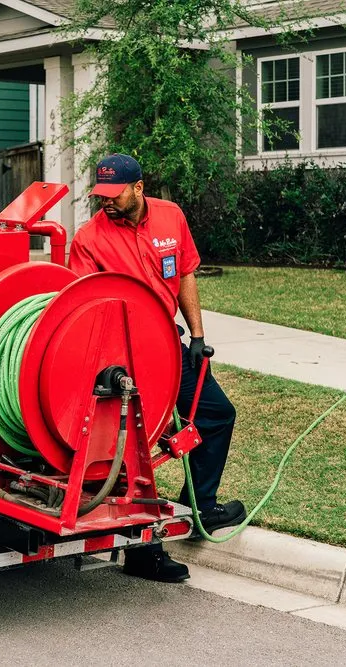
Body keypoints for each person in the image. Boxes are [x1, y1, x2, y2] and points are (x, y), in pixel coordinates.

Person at [68, 153, 246, 583]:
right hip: (122, 356)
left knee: (216, 415)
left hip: (169, 344)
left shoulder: (171, 217)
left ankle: (200, 505)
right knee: (135, 449)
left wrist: (197, 336)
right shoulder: (88, 239)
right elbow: (82, 307)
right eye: (101, 195)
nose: (106, 203)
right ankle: (144, 552)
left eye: (115, 195)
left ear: (138, 188)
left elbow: (184, 273)